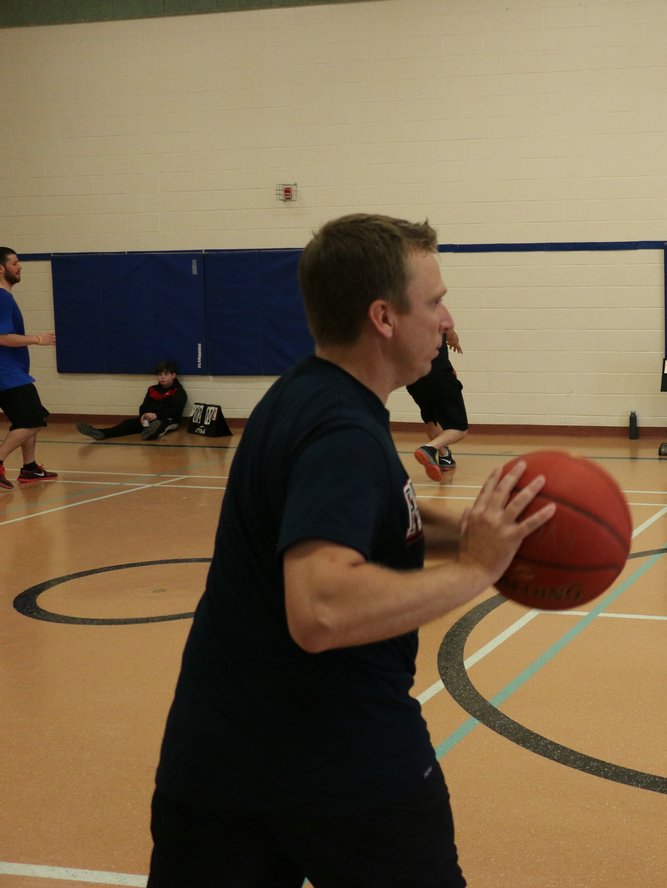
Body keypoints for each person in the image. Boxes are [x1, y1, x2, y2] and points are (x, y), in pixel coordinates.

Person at [148, 214, 556, 887]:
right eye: (434, 301)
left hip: (217, 758)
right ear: (383, 317)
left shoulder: (303, 396)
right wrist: (478, 567)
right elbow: (322, 610)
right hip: (339, 767)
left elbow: (363, 515)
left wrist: (478, 530)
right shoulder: (341, 429)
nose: (447, 320)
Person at [0, 247, 59, 488]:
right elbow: (2, 336)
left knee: (31, 416)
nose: (20, 266)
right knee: (33, 418)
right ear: (1, 268)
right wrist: (37, 339)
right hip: (6, 373)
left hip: (13, 372)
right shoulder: (2, 297)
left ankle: (29, 468)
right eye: (14, 263)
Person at [408, 326, 470, 480]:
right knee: (459, 428)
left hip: (413, 379)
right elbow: (452, 336)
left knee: (431, 418)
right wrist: (454, 340)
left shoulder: (402, 320)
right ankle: (429, 449)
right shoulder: (437, 314)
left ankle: (445, 457)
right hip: (439, 375)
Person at [77, 360, 188, 441]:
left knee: (161, 424)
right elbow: (144, 406)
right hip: (149, 418)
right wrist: (143, 415)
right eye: (160, 375)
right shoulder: (152, 389)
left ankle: (151, 433)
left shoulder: (179, 392)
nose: (162, 377)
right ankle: (101, 433)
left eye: (166, 374)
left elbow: (175, 411)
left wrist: (156, 415)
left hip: (168, 419)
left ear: (173, 375)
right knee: (127, 424)